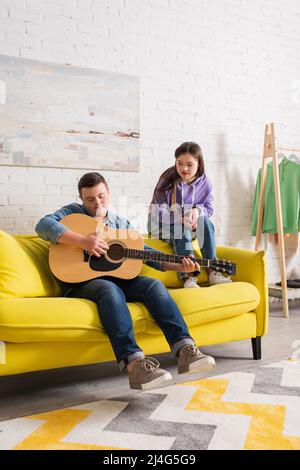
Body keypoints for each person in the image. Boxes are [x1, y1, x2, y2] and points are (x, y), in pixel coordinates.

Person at [35, 172, 216, 391]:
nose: (97, 203)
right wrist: (83, 240)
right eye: (90, 199)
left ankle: (185, 350)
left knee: (153, 285)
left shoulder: (120, 223)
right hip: (81, 282)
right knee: (109, 289)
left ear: (108, 192)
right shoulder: (72, 213)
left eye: (101, 196)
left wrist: (179, 266)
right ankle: (135, 365)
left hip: (121, 279)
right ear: (82, 199)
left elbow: (144, 252)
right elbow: (43, 225)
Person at [148, 141, 232, 288]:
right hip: (161, 226)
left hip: (189, 225)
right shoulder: (166, 180)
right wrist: (179, 219)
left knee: (205, 220)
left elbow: (209, 208)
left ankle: (213, 270)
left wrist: (197, 211)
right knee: (182, 228)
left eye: (189, 164)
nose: (183, 168)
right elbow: (157, 212)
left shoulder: (205, 182)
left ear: (199, 164)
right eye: (179, 163)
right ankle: (189, 276)